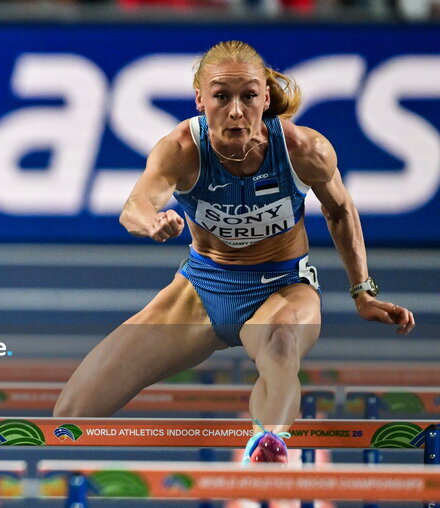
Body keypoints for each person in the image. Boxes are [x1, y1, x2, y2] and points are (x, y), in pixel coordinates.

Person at [53, 40, 414, 462]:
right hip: (201, 291)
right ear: (200, 99)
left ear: (265, 97)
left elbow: (339, 209)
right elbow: (135, 205)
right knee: (70, 417)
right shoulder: (182, 150)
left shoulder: (303, 150)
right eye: (222, 96)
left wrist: (363, 292)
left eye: (248, 97)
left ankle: (269, 446)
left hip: (283, 288)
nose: (237, 111)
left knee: (280, 345)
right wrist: (151, 221)